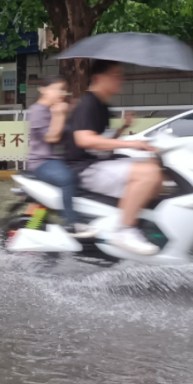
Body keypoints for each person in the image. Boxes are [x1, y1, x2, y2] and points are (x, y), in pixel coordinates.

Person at [64, 60, 162, 255]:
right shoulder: (88, 103)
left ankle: (138, 223)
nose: (121, 80)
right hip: (86, 169)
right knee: (148, 174)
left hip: (100, 162)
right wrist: (131, 144)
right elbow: (85, 139)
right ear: (99, 78)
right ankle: (124, 231)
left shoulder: (103, 106)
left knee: (156, 170)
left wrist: (124, 128)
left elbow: (103, 140)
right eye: (116, 75)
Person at [26, 76, 95, 238]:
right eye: (57, 89)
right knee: (67, 178)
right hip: (41, 162)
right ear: (44, 90)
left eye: (63, 90)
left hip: (56, 160)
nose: (61, 93)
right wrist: (59, 114)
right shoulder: (38, 110)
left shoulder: (54, 109)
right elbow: (52, 138)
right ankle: (71, 223)